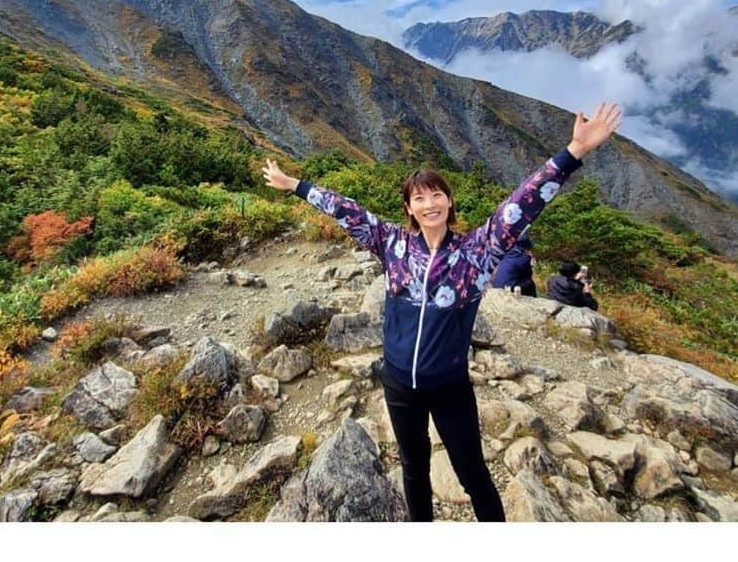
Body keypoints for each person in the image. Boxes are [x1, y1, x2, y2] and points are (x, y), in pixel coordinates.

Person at [262, 101, 623, 522]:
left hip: (450, 387)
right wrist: (295, 185)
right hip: (398, 383)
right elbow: (347, 210)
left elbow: (521, 205)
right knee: (414, 470)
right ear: (410, 208)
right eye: (419, 197)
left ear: (450, 203)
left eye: (437, 194)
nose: (430, 202)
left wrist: (574, 151)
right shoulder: (391, 244)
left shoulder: (477, 252)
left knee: (472, 473)